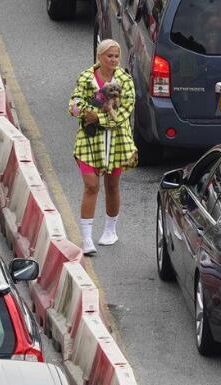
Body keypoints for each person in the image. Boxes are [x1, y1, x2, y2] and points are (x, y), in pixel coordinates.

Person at [68, 39, 137, 255]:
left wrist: (97, 118)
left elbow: (125, 112)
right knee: (91, 186)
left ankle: (110, 230)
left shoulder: (125, 80)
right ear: (100, 57)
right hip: (89, 141)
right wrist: (82, 111)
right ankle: (87, 238)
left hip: (116, 141)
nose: (114, 60)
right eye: (110, 56)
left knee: (112, 185)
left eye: (117, 56)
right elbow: (74, 104)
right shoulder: (86, 78)